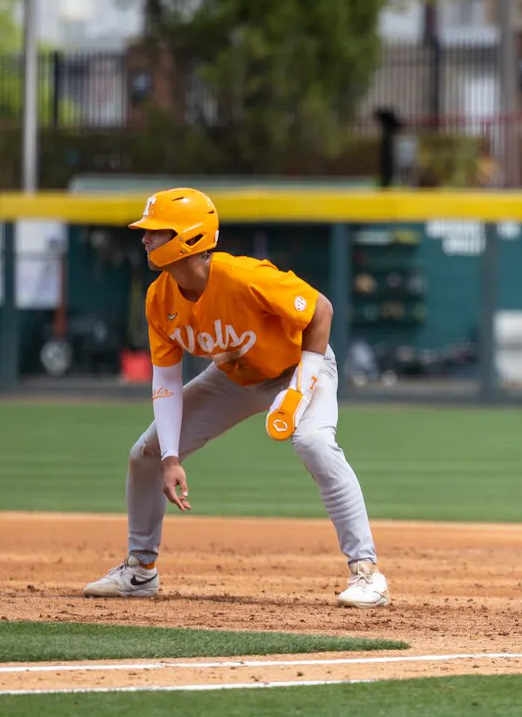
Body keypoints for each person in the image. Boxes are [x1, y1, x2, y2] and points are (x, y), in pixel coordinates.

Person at [83, 187, 390, 608]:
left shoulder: (243, 276)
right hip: (233, 378)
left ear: (188, 238)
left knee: (314, 441)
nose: (145, 239)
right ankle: (140, 571)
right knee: (146, 454)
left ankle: (367, 573)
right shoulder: (159, 298)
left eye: (156, 231)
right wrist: (171, 457)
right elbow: (167, 381)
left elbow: (321, 310)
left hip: (300, 365)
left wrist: (302, 385)